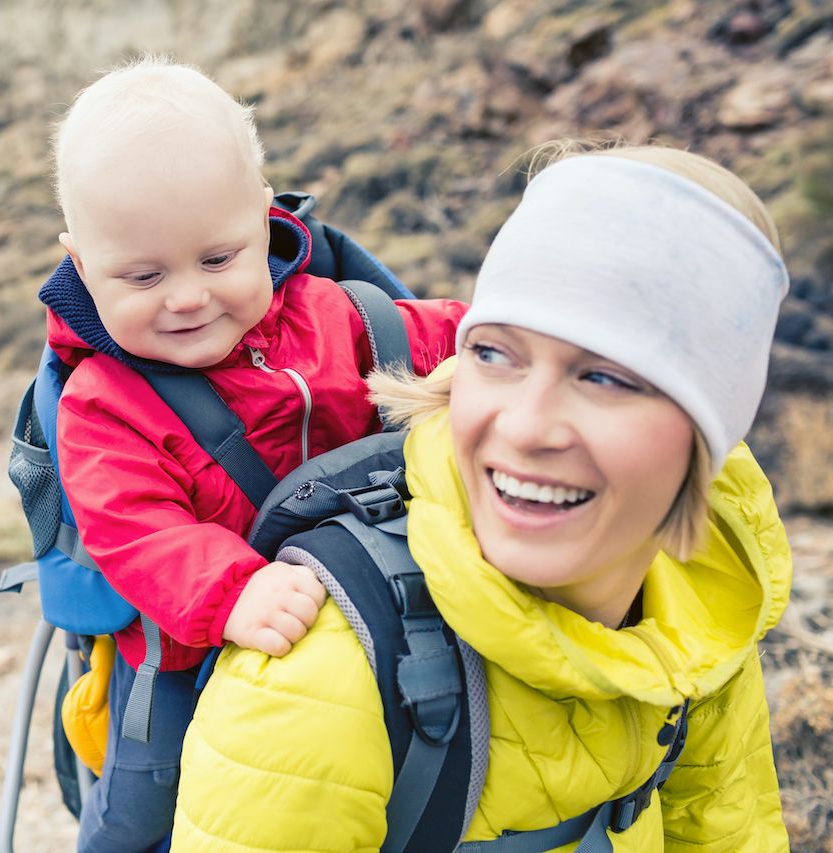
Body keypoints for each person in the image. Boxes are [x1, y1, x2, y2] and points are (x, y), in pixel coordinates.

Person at [173, 143, 793, 852]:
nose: (525, 426)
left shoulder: (703, 604)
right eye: (495, 354)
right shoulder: (317, 680)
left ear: (709, 429)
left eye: (606, 377)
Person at [39, 55, 469, 852]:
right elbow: (135, 529)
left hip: (383, 601)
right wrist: (231, 589)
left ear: (262, 216)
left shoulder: (336, 316)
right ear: (80, 261)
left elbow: (447, 334)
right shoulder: (103, 401)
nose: (188, 295)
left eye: (218, 258)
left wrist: (511, 341)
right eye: (142, 274)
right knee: (147, 801)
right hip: (192, 646)